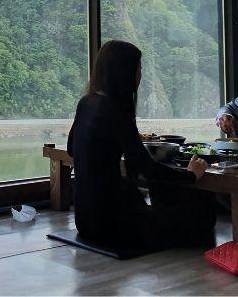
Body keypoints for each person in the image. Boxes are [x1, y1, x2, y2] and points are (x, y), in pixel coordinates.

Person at [67, 40, 215, 250]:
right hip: (112, 225)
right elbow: (147, 169)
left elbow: (72, 149)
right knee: (204, 217)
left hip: (85, 221)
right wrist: (191, 174)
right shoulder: (116, 110)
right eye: (138, 69)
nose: (140, 76)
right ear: (124, 73)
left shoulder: (86, 102)